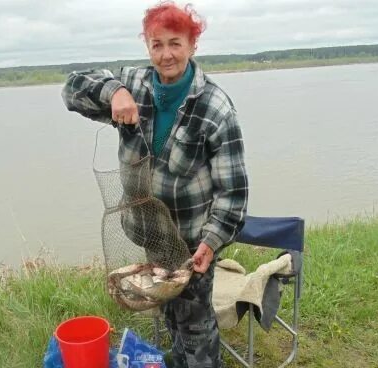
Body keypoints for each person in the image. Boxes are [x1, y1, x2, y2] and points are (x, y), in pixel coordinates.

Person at [61, 2, 248, 366]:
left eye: (175, 44)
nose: (165, 55)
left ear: (193, 46)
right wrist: (113, 92)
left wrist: (211, 242)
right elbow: (71, 88)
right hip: (150, 234)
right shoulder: (134, 84)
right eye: (156, 44)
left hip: (193, 241)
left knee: (195, 324)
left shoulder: (215, 107)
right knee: (169, 313)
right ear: (147, 46)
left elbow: (234, 193)